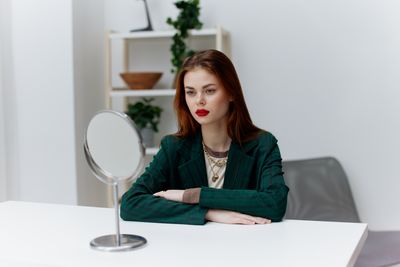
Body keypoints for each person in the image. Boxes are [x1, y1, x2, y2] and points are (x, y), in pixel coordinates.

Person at [120, 49, 289, 225]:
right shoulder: (174, 147)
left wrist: (193, 195)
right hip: (193, 248)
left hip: (245, 247)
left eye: (209, 91)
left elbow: (275, 203)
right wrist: (207, 212)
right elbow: (130, 204)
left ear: (231, 93)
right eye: (190, 92)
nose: (199, 100)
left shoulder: (263, 144)